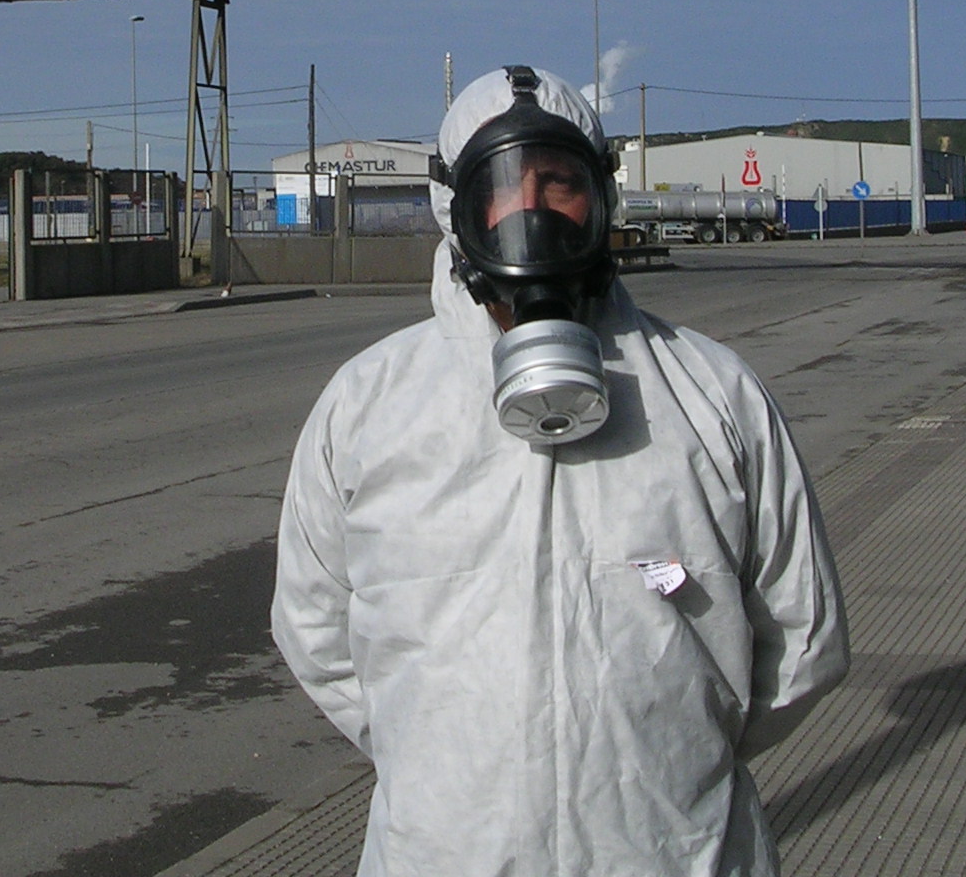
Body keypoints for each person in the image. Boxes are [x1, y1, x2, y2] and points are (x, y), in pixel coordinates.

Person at [272, 65, 848, 877]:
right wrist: (439, 769)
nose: (530, 212)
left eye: (558, 182)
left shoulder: (712, 395)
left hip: (673, 855)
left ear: (601, 199)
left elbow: (803, 637)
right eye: (502, 187)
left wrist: (674, 768)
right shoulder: (370, 406)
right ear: (455, 209)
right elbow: (313, 632)